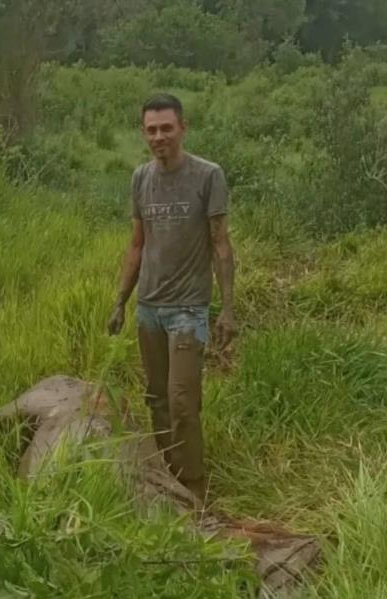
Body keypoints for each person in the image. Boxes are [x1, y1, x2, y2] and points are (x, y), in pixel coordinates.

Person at [107, 93, 236, 503]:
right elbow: (137, 245)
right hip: (149, 308)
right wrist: (120, 301)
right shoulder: (141, 178)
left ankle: (194, 487)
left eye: (166, 128)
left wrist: (228, 310)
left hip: (187, 309)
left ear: (183, 128)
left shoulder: (207, 176)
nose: (159, 136)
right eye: (151, 130)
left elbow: (221, 244)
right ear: (143, 134)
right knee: (157, 398)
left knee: (183, 401)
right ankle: (165, 478)